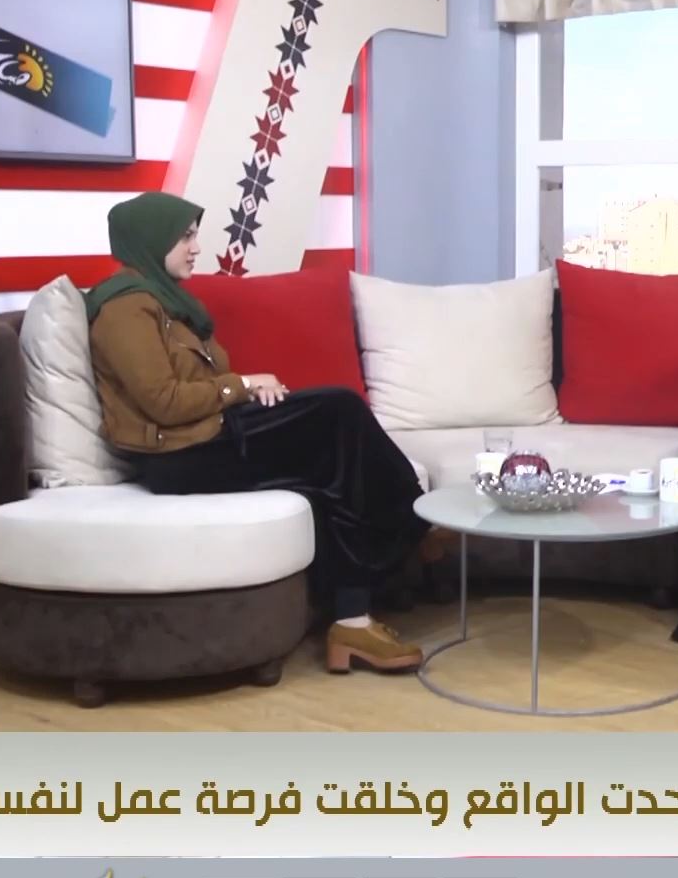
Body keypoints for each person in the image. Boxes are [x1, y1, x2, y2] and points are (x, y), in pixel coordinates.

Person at [85, 191, 429, 674]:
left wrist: (246, 390)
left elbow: (196, 384)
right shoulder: (125, 308)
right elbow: (163, 401)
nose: (196, 248)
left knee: (329, 471)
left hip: (208, 434)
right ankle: (413, 520)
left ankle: (352, 621)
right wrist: (242, 385)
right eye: (185, 238)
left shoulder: (168, 302)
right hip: (179, 456)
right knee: (339, 410)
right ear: (151, 239)